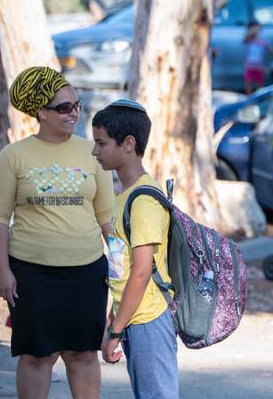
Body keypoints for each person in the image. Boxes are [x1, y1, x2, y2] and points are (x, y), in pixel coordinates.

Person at [0, 66, 112, 399]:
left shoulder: (92, 151)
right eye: (64, 107)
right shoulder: (13, 156)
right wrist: (2, 271)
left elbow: (106, 217)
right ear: (40, 113)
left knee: (83, 353)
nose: (74, 113)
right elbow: (0, 217)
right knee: (37, 356)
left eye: (77, 104)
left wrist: (122, 269)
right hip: (32, 274)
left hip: (87, 272)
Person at [91, 99, 178, 399]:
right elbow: (121, 268)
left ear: (128, 144)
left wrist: (116, 329)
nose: (95, 151)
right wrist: (112, 324)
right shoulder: (122, 198)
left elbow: (141, 273)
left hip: (149, 320)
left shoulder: (144, 200)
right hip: (132, 319)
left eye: (101, 143)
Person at [243, 21, 273, 94]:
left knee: (260, 85)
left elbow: (272, 51)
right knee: (248, 83)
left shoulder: (262, 42)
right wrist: (252, 30)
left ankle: (259, 99)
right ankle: (248, 99)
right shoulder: (249, 40)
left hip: (259, 67)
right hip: (249, 67)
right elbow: (245, 39)